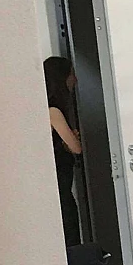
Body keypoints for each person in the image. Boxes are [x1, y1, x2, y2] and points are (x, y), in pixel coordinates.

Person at [44, 54, 82, 245]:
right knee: (69, 231)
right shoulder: (53, 112)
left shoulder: (49, 109)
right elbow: (75, 147)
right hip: (59, 186)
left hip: (59, 185)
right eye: (71, 74)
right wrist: (73, 139)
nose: (74, 79)